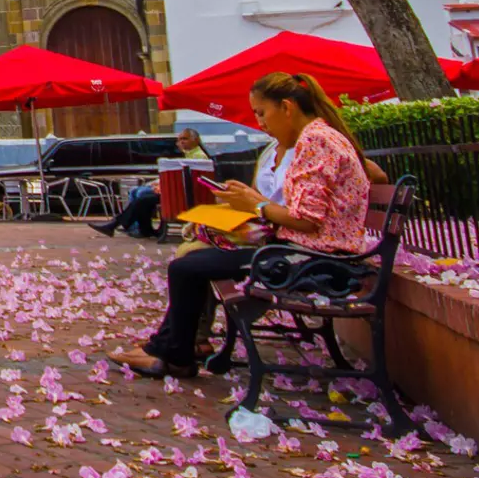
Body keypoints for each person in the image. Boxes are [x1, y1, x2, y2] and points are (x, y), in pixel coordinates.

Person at [109, 73, 373, 378]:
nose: (260, 122)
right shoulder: (318, 137)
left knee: (186, 267)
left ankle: (173, 355)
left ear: (286, 107)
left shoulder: (315, 140)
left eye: (261, 113)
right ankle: (169, 349)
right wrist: (249, 202)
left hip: (315, 264)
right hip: (311, 256)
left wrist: (256, 204)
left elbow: (307, 220)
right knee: (191, 262)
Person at [90, 128, 212, 239]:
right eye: (179, 139)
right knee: (143, 199)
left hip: (185, 196)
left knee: (142, 198)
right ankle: (139, 229)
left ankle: (117, 225)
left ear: (195, 140)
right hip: (177, 194)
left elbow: (188, 181)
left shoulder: (199, 157)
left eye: (184, 139)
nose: (181, 142)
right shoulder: (189, 154)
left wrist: (162, 187)